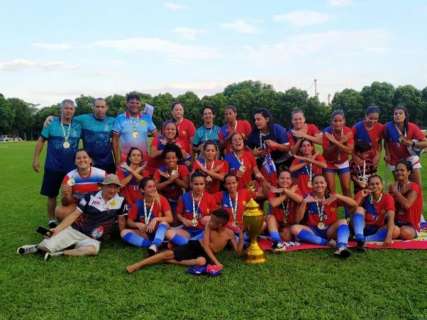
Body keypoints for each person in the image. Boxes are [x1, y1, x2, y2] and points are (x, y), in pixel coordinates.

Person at [17, 174, 127, 260]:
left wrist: (123, 236)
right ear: (102, 186)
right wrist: (57, 229)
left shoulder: (121, 200)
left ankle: (59, 254)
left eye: (115, 187)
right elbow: (75, 215)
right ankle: (36, 247)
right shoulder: (90, 197)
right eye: (109, 186)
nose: (112, 190)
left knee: (93, 250)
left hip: (93, 238)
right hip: (76, 230)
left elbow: (121, 219)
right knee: (46, 246)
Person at [126, 208, 244, 273]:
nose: (210, 222)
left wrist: (242, 234)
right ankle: (138, 265)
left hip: (207, 255)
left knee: (201, 262)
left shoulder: (230, 234)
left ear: (221, 224)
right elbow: (206, 246)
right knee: (168, 254)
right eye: (211, 219)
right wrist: (217, 262)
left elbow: (238, 251)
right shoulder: (209, 226)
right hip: (197, 246)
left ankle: (171, 261)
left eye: (213, 221)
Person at [32, 99, 81, 228]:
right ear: (61, 110)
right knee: (51, 194)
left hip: (71, 170)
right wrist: (36, 159)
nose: (68, 111)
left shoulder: (78, 124)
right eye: (66, 108)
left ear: (74, 110)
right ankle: (52, 219)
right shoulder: (52, 123)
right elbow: (41, 141)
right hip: (53, 167)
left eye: (71, 108)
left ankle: (70, 217)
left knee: (71, 194)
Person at [43, 98, 116, 173]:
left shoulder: (113, 121)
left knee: (110, 184)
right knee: (90, 184)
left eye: (102, 107)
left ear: (106, 108)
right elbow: (66, 117)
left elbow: (117, 140)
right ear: (93, 107)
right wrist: (52, 118)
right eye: (97, 107)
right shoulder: (83, 119)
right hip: (89, 163)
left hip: (108, 162)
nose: (100, 109)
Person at [291, 175, 357, 257]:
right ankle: (326, 242)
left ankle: (341, 247)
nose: (319, 185)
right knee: (294, 228)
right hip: (313, 230)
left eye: (322, 183)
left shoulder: (332, 197)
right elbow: (297, 220)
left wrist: (338, 196)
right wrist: (304, 203)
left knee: (343, 221)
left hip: (330, 230)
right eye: (316, 183)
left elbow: (354, 204)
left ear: (326, 184)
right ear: (312, 185)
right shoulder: (307, 198)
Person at [120, 177, 173, 255]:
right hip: (146, 233)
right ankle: (155, 244)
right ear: (142, 190)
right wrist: (137, 224)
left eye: (154, 186)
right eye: (149, 187)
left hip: (161, 232)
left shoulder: (162, 199)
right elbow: (129, 222)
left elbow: (170, 218)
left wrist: (156, 219)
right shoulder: (138, 203)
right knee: (123, 232)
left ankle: (156, 243)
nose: (153, 189)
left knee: (164, 223)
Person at [166, 172, 218, 246]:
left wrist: (210, 217)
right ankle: (190, 244)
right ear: (191, 184)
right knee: (168, 233)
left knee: (212, 235)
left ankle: (184, 244)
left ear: (205, 185)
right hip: (188, 230)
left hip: (203, 230)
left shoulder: (210, 198)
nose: (199, 187)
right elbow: (178, 214)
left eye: (201, 184)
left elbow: (216, 215)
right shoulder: (184, 197)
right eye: (196, 184)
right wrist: (184, 220)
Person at [55, 149, 106, 221]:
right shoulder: (70, 177)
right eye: (78, 158)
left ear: (90, 160)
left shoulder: (101, 174)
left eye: (85, 157)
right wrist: (67, 195)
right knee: (60, 212)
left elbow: (111, 192)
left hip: (97, 204)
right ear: (75, 162)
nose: (82, 160)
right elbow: (65, 202)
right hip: (78, 206)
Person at [384, 105, 427, 186]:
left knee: (416, 186)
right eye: (395, 114)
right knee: (401, 187)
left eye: (400, 113)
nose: (397, 115)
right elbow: (386, 141)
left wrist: (412, 143)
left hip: (410, 158)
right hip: (395, 159)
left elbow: (425, 143)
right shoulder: (388, 127)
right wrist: (387, 154)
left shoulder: (412, 127)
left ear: (405, 116)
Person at [352, 175, 399, 248]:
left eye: (377, 184)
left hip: (377, 229)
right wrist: (361, 197)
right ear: (368, 186)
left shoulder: (388, 198)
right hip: (362, 227)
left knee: (396, 230)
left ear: (382, 185)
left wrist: (389, 236)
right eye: (372, 184)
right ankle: (359, 236)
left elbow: (391, 216)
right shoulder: (363, 194)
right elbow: (351, 211)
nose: (375, 186)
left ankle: (364, 240)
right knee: (359, 209)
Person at [322, 110, 354, 213]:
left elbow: (349, 150)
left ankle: (348, 214)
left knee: (346, 188)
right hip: (329, 162)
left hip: (343, 162)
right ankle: (332, 214)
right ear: (331, 122)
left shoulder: (348, 131)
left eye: (340, 120)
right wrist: (341, 142)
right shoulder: (326, 132)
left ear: (344, 121)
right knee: (331, 189)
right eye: (335, 121)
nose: (338, 123)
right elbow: (327, 153)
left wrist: (335, 142)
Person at [247, 108, 290, 184]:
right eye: (255, 120)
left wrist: (276, 145)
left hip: (280, 161)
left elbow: (287, 148)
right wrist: (253, 153)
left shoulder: (277, 129)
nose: (256, 122)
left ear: (267, 119)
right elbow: (246, 148)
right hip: (263, 162)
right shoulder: (254, 133)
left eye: (259, 119)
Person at [112, 92, 157, 164]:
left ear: (140, 104)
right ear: (127, 104)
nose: (135, 105)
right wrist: (117, 160)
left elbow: (156, 136)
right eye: (132, 103)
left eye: (137, 103)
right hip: (126, 159)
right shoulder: (120, 118)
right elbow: (115, 140)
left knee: (143, 175)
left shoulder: (146, 118)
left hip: (143, 159)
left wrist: (153, 152)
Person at [267, 170, 303, 248]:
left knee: (287, 237)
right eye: (282, 178)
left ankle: (273, 235)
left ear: (291, 180)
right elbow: (274, 203)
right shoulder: (274, 189)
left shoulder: (295, 189)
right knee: (270, 217)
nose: (285, 181)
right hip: (276, 222)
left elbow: (300, 200)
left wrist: (286, 191)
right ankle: (276, 241)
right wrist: (287, 193)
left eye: (287, 178)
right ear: (277, 180)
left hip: (289, 223)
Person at [389, 161, 423, 240]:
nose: (399, 172)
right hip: (396, 222)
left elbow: (407, 205)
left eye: (402, 170)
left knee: (405, 233)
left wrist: (396, 192)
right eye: (397, 170)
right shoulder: (393, 186)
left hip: (411, 224)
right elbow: (389, 205)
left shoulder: (414, 186)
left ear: (409, 172)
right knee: (394, 232)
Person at [154, 144, 190, 214]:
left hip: (179, 199)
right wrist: (169, 181)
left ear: (177, 158)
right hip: (164, 199)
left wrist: (175, 179)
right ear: (164, 159)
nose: (171, 160)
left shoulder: (183, 168)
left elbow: (186, 186)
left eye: (173, 158)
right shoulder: (160, 170)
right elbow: (155, 187)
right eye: (168, 158)